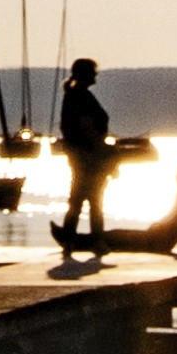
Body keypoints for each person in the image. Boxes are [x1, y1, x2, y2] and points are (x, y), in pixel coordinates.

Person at [53, 56, 117, 253]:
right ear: (85, 74)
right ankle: (95, 241)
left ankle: (70, 239)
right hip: (88, 155)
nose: (95, 77)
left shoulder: (74, 95)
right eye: (93, 73)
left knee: (79, 198)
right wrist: (99, 150)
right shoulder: (80, 97)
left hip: (80, 154)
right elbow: (86, 126)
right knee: (93, 199)